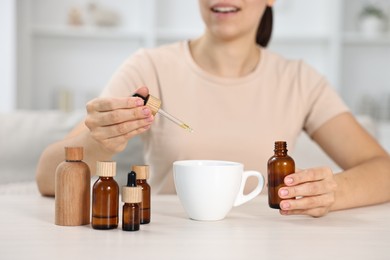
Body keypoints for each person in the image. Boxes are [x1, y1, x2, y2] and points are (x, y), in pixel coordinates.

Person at [36, 0, 390, 217]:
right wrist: (102, 141)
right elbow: (46, 177)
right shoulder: (149, 68)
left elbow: (383, 170)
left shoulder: (300, 80)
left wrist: (332, 193)